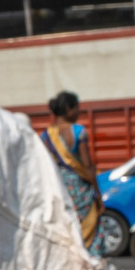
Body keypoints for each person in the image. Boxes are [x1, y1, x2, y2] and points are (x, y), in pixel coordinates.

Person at [40, 90, 100, 245]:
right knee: (88, 228)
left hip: (59, 188)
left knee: (67, 230)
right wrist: (98, 194)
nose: (79, 112)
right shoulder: (79, 132)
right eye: (77, 108)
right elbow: (87, 166)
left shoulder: (46, 136)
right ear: (68, 109)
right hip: (80, 189)